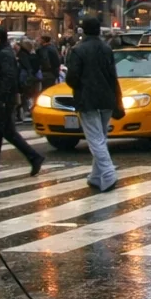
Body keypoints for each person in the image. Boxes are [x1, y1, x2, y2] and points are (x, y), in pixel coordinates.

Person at [0, 25, 45, 180]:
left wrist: (1, 98)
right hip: (1, 100)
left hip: (4, 101)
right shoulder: (2, 52)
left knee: (8, 133)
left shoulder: (5, 54)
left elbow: (8, 77)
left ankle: (34, 157)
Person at [64, 17, 123, 191]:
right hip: (106, 97)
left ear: (83, 30)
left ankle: (108, 172)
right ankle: (96, 176)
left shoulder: (78, 50)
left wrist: (79, 87)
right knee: (101, 136)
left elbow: (72, 76)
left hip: (87, 98)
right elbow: (113, 74)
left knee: (95, 138)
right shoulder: (106, 48)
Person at [16, 38, 40, 119]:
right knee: (30, 95)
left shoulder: (22, 55)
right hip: (29, 78)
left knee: (24, 96)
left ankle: (25, 111)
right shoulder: (28, 54)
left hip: (24, 78)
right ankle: (28, 110)